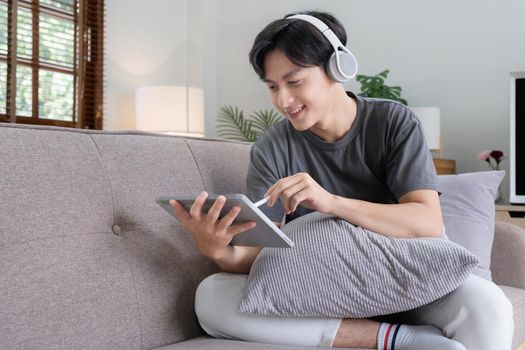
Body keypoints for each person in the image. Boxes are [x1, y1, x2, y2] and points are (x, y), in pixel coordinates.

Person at [169, 10, 514, 350]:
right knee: (211, 296)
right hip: (324, 290)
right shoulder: (270, 149)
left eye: (294, 82)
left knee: (490, 306)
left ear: (337, 68)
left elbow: (426, 221)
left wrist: (330, 203)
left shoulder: (392, 122)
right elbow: (258, 257)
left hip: (408, 279)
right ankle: (398, 340)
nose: (283, 101)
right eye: (273, 87)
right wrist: (218, 250)